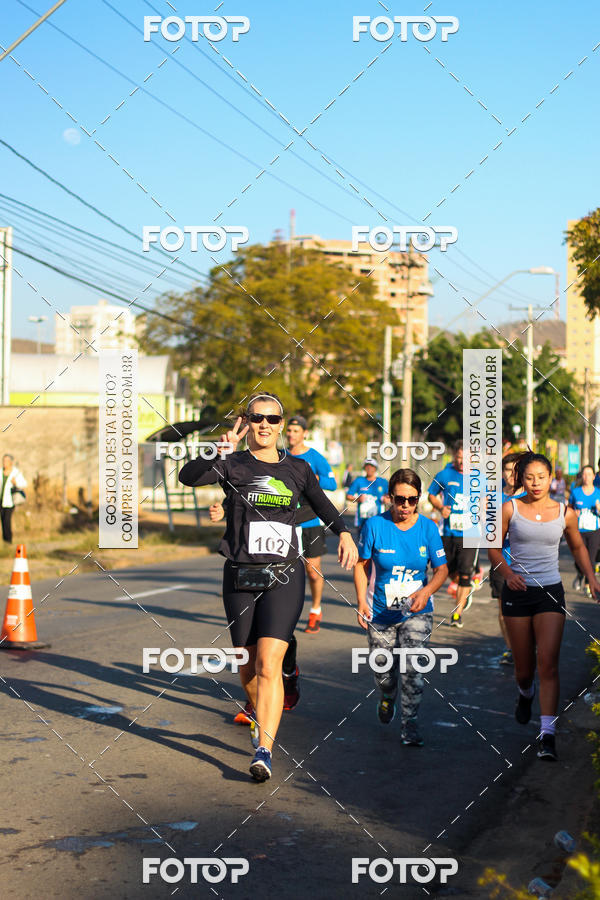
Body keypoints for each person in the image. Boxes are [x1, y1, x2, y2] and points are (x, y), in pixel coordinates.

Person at [179, 393, 357, 782]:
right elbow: (188, 477)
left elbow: (323, 504)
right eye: (256, 418)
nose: (264, 424)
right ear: (248, 422)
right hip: (240, 575)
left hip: (283, 574)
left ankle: (264, 749)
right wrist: (216, 451)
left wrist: (344, 533)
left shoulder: (298, 468)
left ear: (281, 424)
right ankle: (261, 709)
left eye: (272, 419)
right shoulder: (232, 463)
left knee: (268, 663)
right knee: (246, 662)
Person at [488, 451, 600, 761]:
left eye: (541, 477)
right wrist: (508, 574)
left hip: (550, 592)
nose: (536, 483)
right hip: (517, 592)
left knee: (548, 663)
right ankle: (525, 694)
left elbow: (577, 545)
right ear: (520, 479)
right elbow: (494, 549)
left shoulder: (565, 512)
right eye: (529, 477)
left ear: (551, 478)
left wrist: (591, 577)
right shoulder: (509, 509)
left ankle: (547, 735)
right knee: (525, 670)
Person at [354, 468, 448, 745]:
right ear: (389, 498)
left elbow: (442, 570)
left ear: (418, 498)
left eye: (412, 499)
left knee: (413, 667)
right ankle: (387, 695)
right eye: (399, 499)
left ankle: (410, 723)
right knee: (383, 671)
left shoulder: (429, 528)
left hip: (417, 610)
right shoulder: (374, 526)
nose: (405, 505)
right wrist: (361, 601)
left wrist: (426, 591)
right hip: (380, 611)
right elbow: (361, 566)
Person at [286, 414, 337, 635]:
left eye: (296, 431)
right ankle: (284, 614)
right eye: (289, 431)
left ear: (304, 434)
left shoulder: (314, 457)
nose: (291, 434)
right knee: (285, 572)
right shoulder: (281, 456)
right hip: (286, 522)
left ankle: (315, 610)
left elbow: (332, 483)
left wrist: (314, 478)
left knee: (313, 572)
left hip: (311, 521)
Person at [427, 440, 476, 628]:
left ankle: (457, 613)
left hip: (470, 532)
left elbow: (487, 499)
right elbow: (431, 494)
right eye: (459, 457)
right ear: (454, 456)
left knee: (465, 574)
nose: (462, 462)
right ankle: (465, 591)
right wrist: (440, 507)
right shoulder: (445, 474)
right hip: (447, 531)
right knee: (444, 569)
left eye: (467, 458)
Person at [488, 452, 524, 666]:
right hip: (501, 561)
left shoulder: (528, 496)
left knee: (525, 610)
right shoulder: (493, 497)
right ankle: (511, 649)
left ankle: (526, 645)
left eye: (514, 470)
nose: (511, 474)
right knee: (504, 610)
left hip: (526, 562)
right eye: (507, 470)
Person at [569, 465, 600, 595]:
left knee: (591, 559)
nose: (587, 477)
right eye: (585, 474)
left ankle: (588, 584)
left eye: (589, 474)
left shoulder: (598, 492)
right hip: (579, 530)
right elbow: (569, 508)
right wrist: (573, 514)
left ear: (594, 476)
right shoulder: (576, 492)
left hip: (594, 530)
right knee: (579, 559)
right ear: (582, 476)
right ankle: (580, 573)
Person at [346, 459, 389, 534]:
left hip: (378, 519)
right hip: (362, 520)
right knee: (362, 544)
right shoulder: (359, 480)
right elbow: (348, 496)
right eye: (367, 466)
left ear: (375, 468)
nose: (369, 469)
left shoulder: (382, 482)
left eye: (371, 466)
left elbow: (390, 496)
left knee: (376, 544)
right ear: (364, 468)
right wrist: (358, 499)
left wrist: (386, 499)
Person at [0, 454, 27, 543]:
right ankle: (4, 540)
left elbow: (24, 484)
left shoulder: (16, 473)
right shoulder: (0, 472)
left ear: (11, 462)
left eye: (6, 461)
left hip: (9, 501)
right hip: (1, 500)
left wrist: (15, 483)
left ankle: (8, 541)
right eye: (3, 460)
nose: (4, 463)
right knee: (3, 521)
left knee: (7, 521)